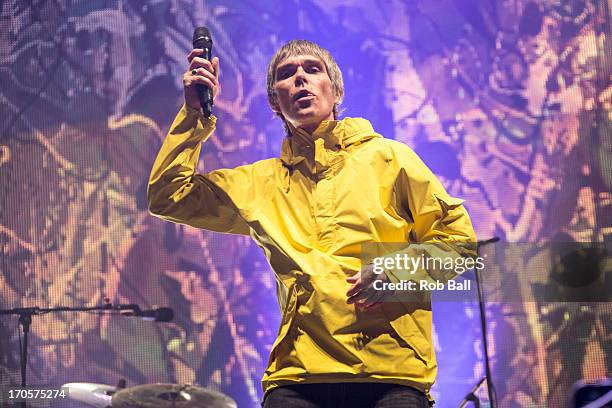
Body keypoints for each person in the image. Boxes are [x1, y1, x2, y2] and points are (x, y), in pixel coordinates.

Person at [148, 39, 477, 407]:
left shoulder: (389, 159)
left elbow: (460, 246)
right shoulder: (260, 184)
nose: (300, 78)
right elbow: (168, 196)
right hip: (298, 377)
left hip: (390, 376)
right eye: (287, 75)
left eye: (312, 69)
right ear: (275, 103)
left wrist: (397, 269)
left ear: (335, 91)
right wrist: (195, 115)